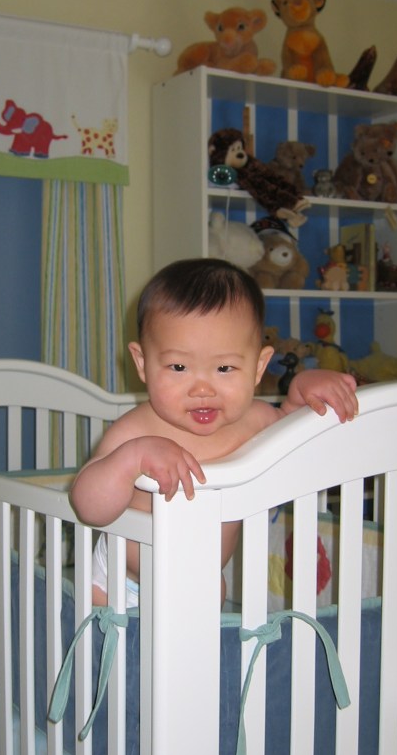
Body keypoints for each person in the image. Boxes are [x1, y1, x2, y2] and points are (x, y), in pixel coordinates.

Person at [70, 258, 358, 606]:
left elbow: (296, 444)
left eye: (224, 368)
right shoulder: (135, 431)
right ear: (143, 363)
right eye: (179, 367)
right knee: (112, 654)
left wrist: (303, 392)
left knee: (201, 656)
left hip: (201, 584)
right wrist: (132, 458)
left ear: (258, 367)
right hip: (118, 584)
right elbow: (88, 506)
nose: (202, 388)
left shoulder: (256, 421)